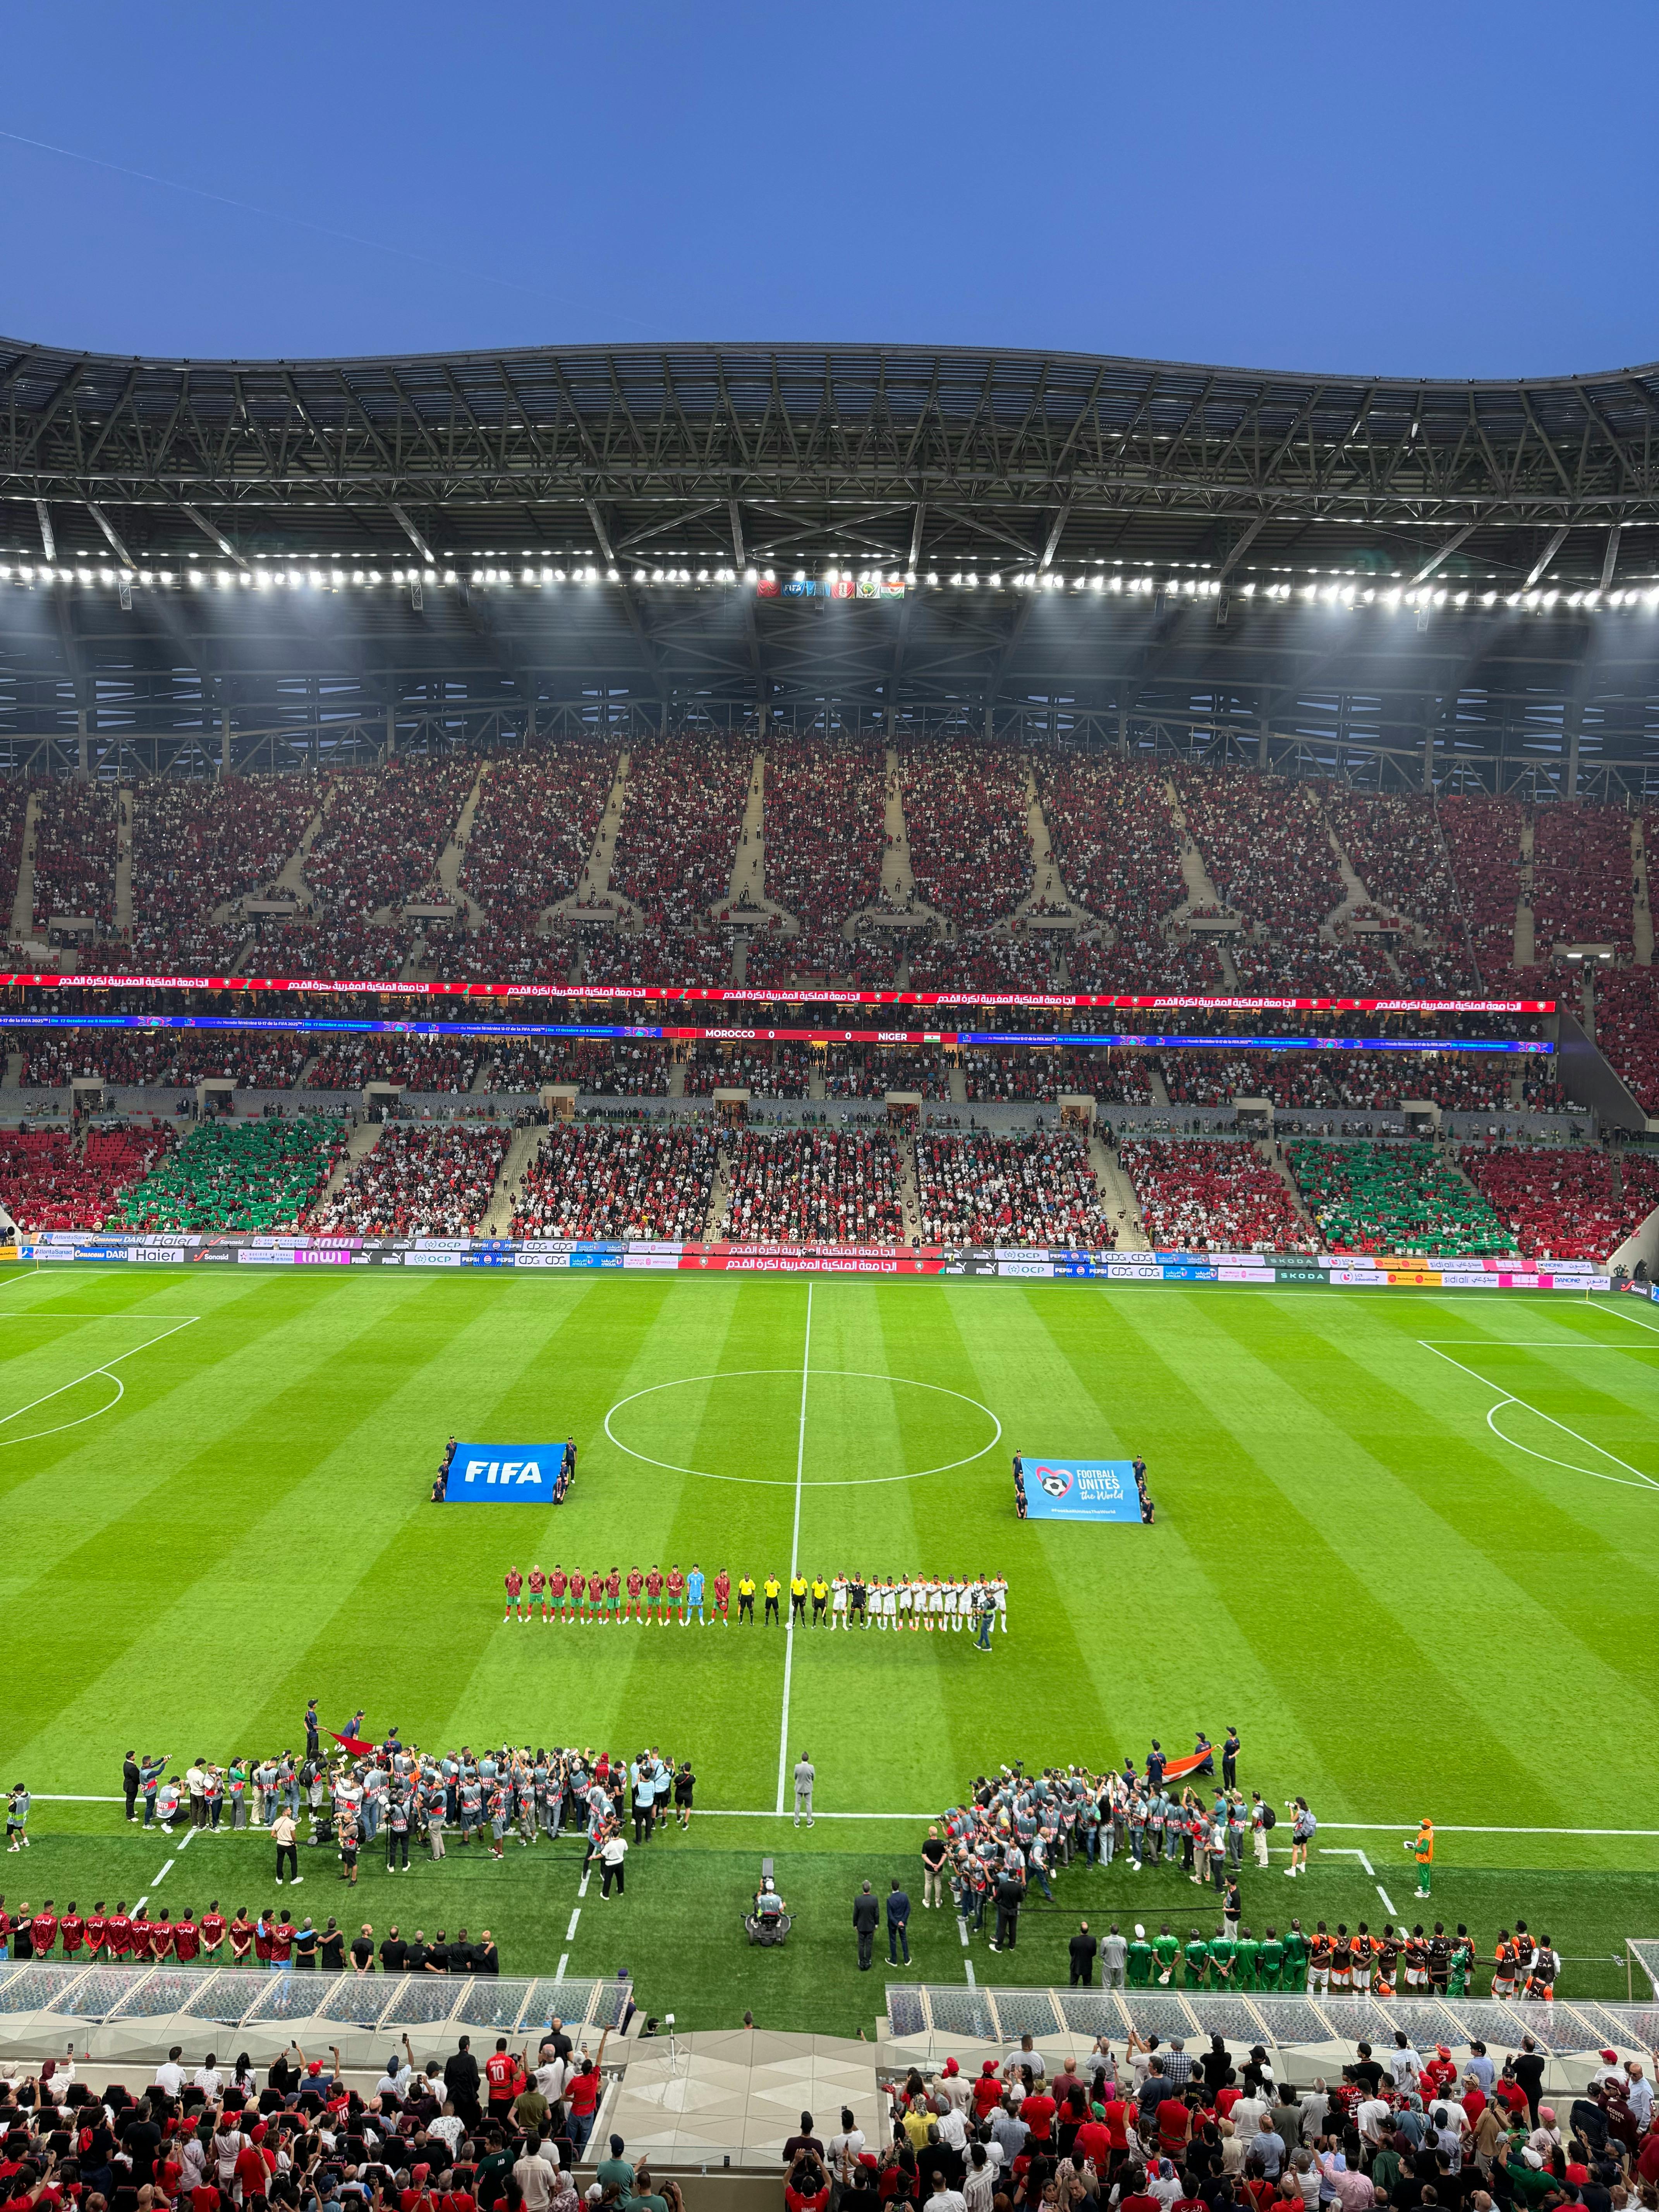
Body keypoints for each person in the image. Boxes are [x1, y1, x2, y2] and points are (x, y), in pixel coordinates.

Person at [853, 1880, 880, 1972]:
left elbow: (855, 1914)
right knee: (869, 1945)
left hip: (861, 1926)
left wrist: (855, 1924)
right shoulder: (874, 1899)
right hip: (870, 1927)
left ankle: (861, 1962)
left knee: (861, 1945)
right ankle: (868, 1962)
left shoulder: (858, 1900)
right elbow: (877, 1914)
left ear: (863, 1889)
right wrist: (876, 1924)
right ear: (870, 1889)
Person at [922, 1826, 948, 1910]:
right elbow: (944, 1855)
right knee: (938, 1884)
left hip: (929, 1868)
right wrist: (939, 1865)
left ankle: (927, 1902)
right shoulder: (942, 1843)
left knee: (928, 1884)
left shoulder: (926, 1843)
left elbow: (924, 1856)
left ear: (930, 1833)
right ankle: (938, 1902)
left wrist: (932, 1865)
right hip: (939, 1869)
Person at [1407, 1817, 1434, 1896]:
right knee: (1426, 1873)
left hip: (1423, 1858)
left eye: (1423, 1825)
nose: (1421, 1826)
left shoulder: (1426, 1836)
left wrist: (1414, 1847)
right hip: (1427, 1857)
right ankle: (1426, 1887)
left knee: (1424, 1875)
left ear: (1427, 1826)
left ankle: (1424, 1891)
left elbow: (1423, 1849)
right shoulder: (1429, 1831)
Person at [887, 1879, 912, 1966]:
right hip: (902, 1923)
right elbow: (908, 1909)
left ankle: (894, 1960)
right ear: (899, 1887)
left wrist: (897, 1923)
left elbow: (890, 1915)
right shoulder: (904, 1896)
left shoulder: (890, 1900)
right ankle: (906, 1959)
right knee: (904, 1940)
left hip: (893, 1924)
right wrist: (903, 1921)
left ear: (892, 1887)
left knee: (893, 1941)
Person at [1069, 1920, 1098, 1986]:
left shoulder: (1074, 1940)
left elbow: (1072, 1952)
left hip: (1076, 1965)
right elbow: (1094, 1953)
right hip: (1087, 1966)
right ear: (1088, 1931)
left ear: (1080, 1930)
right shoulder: (1092, 1940)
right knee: (1087, 1986)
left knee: (1073, 1985)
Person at [793, 1751, 816, 1829]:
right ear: (808, 1759)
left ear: (802, 1759)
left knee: (798, 1803)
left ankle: (796, 1821)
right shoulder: (811, 1767)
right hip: (808, 1788)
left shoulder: (797, 1767)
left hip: (799, 1788)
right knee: (809, 1804)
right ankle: (809, 1821)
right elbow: (813, 1778)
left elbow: (795, 1777)